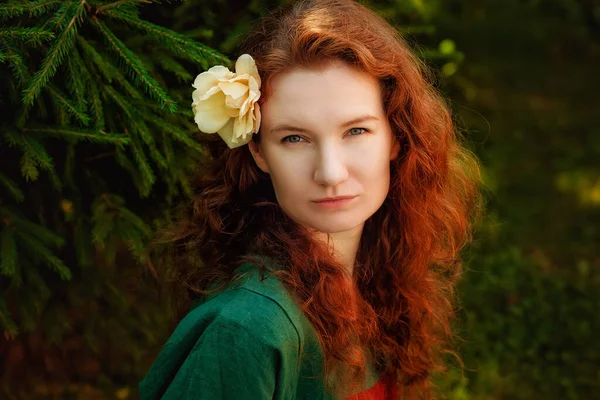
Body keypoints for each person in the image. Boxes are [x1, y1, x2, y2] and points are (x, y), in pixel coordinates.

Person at [139, 0, 483, 399]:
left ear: (396, 136)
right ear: (259, 153)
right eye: (294, 138)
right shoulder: (249, 329)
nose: (331, 172)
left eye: (356, 131)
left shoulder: (376, 280)